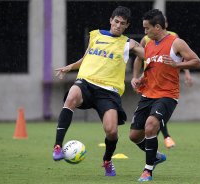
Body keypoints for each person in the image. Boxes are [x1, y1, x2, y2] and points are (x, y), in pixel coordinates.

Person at [52, 6, 144, 177]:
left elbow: (148, 55)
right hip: (86, 82)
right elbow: (86, 57)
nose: (118, 25)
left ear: (127, 25)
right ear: (111, 20)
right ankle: (57, 146)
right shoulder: (96, 35)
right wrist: (70, 67)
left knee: (112, 131)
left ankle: (107, 160)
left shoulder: (128, 43)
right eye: (116, 21)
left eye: (122, 23)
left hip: (108, 92)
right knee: (71, 97)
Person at [129, 9, 200, 182]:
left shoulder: (176, 42)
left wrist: (177, 65)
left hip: (168, 95)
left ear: (158, 27)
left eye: (147, 28)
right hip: (148, 93)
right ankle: (155, 156)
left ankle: (147, 170)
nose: (145, 32)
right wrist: (139, 79)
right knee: (134, 136)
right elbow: (151, 67)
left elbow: (197, 62)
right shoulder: (148, 43)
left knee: (150, 125)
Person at [132, 16, 193, 149]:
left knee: (154, 119)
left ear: (161, 25)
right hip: (149, 85)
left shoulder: (174, 38)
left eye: (147, 27)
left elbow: (183, 58)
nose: (145, 30)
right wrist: (137, 77)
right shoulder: (146, 39)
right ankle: (157, 147)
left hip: (166, 88)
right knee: (139, 130)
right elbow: (141, 58)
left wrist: (186, 72)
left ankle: (165, 138)